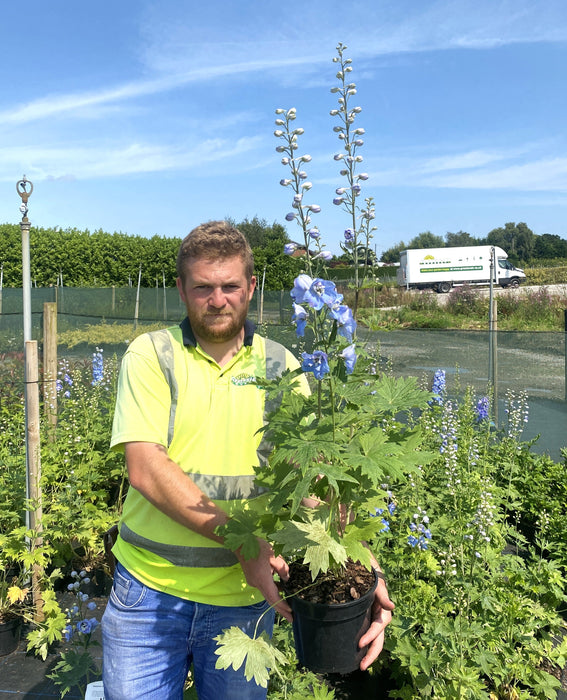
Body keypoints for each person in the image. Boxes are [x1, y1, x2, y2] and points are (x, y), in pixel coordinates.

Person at [102, 220, 394, 700]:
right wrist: (248, 548)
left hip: (246, 602)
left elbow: (313, 482)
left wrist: (363, 568)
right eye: (202, 287)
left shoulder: (282, 366)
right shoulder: (152, 355)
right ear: (181, 289)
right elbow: (146, 467)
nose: (217, 300)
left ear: (251, 288)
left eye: (230, 286)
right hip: (149, 596)